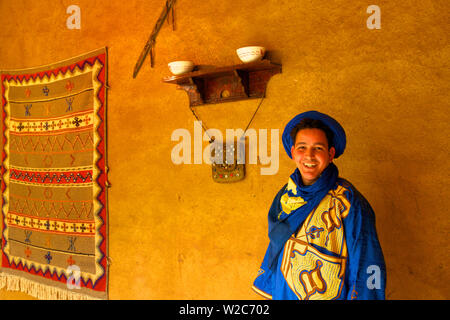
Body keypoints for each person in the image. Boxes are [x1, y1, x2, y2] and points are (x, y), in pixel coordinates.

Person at [252, 110, 386, 300]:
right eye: (302, 147)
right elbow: (278, 252)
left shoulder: (347, 201)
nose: (309, 156)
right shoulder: (286, 197)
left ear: (331, 154)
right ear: (292, 153)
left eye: (318, 148)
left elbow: (367, 261)